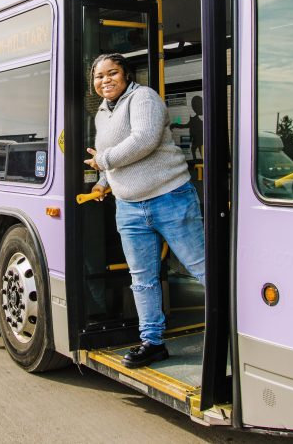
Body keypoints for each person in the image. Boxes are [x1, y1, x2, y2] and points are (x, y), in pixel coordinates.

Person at [84, 53, 206, 369]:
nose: (105, 80)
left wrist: (105, 162)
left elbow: (145, 139)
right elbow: (105, 157)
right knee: (142, 279)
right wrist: (101, 182)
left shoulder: (143, 98)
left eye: (112, 73)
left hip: (170, 197)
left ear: (126, 75)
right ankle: (152, 342)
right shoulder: (101, 114)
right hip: (127, 206)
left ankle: (240, 328)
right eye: (99, 76)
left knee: (202, 267)